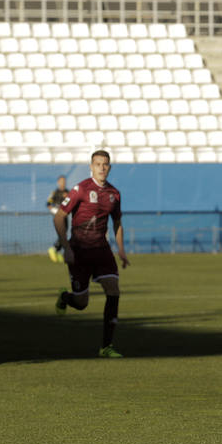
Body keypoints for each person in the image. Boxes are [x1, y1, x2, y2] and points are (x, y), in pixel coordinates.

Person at [53, 151, 130, 358]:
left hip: (102, 250)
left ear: (110, 168)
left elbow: (118, 222)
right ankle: (65, 297)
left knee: (113, 289)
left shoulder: (114, 194)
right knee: (81, 303)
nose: (102, 168)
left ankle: (106, 346)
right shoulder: (81, 189)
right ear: (91, 167)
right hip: (79, 251)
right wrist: (67, 248)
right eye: (98, 164)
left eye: (105, 165)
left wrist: (121, 250)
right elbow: (59, 217)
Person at [46, 175, 69, 263]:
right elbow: (48, 204)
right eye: (61, 181)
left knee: (64, 233)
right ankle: (54, 249)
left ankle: (57, 251)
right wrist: (54, 210)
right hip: (57, 217)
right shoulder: (55, 193)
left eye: (64, 181)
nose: (63, 183)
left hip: (65, 216)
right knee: (62, 233)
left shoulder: (68, 192)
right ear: (58, 182)